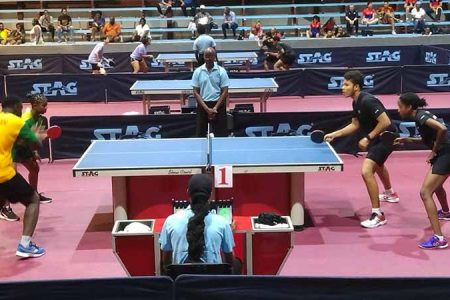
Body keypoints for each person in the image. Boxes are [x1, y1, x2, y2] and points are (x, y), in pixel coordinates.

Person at [324, 70, 399, 229]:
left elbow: (385, 121)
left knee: (366, 170)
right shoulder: (356, 101)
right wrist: (334, 134)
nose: (342, 87)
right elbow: (355, 125)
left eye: (346, 84)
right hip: (379, 137)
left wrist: (368, 137)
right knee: (377, 164)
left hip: (387, 137)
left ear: (356, 86)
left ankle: (378, 215)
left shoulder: (367, 101)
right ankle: (390, 193)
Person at [395, 92, 450, 249]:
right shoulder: (420, 116)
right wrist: (409, 139)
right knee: (436, 185)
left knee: (425, 192)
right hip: (445, 152)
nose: (398, 110)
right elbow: (430, 136)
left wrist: (434, 151)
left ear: (409, 107)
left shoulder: (420, 116)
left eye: (400, 106)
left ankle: (439, 238)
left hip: (446, 153)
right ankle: (446, 212)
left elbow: (442, 129)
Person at [159, 174, 238, 273]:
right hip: (212, 285)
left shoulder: (170, 222)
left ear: (188, 193)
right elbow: (230, 263)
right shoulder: (222, 223)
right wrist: (228, 233)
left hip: (181, 285)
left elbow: (166, 263)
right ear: (210, 195)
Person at [0, 96, 47, 258]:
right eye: (21, 109)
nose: (22, 111)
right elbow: (35, 141)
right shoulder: (17, 122)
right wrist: (40, 136)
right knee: (33, 199)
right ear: (15, 108)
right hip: (3, 173)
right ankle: (25, 245)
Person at [192, 47, 229, 138]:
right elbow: (196, 92)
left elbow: (225, 91)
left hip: (218, 106)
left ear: (214, 57)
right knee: (200, 136)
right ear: (203, 57)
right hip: (203, 106)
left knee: (221, 136)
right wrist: (207, 109)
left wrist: (215, 108)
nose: (208, 59)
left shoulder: (222, 71)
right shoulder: (198, 72)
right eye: (206, 56)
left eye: (210, 56)